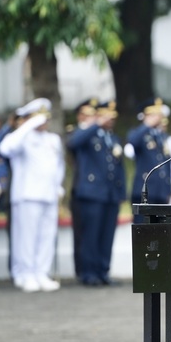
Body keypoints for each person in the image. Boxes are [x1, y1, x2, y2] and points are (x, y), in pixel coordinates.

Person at [0, 98, 65, 292]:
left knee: (46, 236)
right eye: (39, 119)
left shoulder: (53, 139)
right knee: (26, 238)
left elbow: (58, 166)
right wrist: (27, 126)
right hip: (27, 195)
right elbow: (5, 149)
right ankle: (26, 274)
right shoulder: (22, 138)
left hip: (49, 194)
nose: (44, 123)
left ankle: (41, 272)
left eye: (45, 119)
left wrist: (58, 185)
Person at [66, 99, 126, 286]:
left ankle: (103, 270)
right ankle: (89, 272)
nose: (110, 121)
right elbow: (73, 143)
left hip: (110, 194)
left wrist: (121, 192)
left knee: (106, 235)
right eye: (106, 116)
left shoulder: (112, 138)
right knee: (90, 235)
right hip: (91, 193)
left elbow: (119, 168)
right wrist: (95, 124)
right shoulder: (88, 134)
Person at [67, 97, 100, 282]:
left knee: (95, 233)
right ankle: (84, 271)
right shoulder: (77, 132)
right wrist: (93, 126)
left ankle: (96, 270)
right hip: (82, 189)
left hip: (98, 190)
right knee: (84, 234)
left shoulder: (99, 133)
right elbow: (73, 144)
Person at [126, 98, 171, 222]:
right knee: (143, 232)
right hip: (145, 191)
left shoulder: (161, 136)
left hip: (160, 192)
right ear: (145, 116)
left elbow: (166, 164)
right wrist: (146, 125)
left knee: (161, 234)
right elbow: (132, 142)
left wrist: (168, 190)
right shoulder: (139, 133)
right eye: (154, 115)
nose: (158, 117)